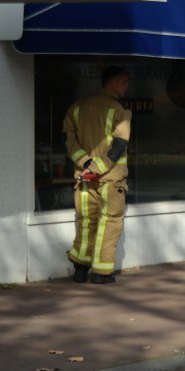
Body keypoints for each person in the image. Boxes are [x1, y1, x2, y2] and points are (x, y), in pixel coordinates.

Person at [64, 66, 132, 284]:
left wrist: (86, 164)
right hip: (110, 179)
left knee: (85, 221)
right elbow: (119, 146)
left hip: (83, 177)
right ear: (111, 82)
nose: (127, 86)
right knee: (109, 221)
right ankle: (102, 273)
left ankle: (80, 269)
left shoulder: (77, 108)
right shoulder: (119, 112)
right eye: (123, 81)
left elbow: (70, 142)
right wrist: (98, 167)